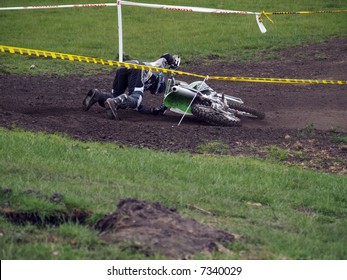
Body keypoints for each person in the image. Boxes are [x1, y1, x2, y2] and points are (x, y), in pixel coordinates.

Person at [82, 53, 179, 119]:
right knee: (135, 99)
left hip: (123, 67)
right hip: (137, 66)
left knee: (115, 95)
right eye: (155, 90)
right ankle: (115, 102)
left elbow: (138, 108)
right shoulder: (158, 67)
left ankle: (98, 95)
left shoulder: (144, 82)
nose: (152, 91)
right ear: (158, 82)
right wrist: (174, 63)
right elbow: (166, 56)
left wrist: (153, 111)